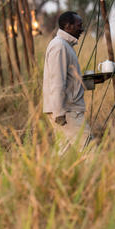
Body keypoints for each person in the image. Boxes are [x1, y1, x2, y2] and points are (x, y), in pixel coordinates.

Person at [43, 11, 94, 150]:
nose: (82, 29)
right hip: (67, 111)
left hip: (65, 109)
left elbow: (69, 80)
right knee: (89, 150)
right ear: (68, 26)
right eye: (79, 25)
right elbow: (57, 80)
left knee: (64, 154)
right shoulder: (59, 46)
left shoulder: (65, 46)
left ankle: (48, 172)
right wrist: (59, 112)